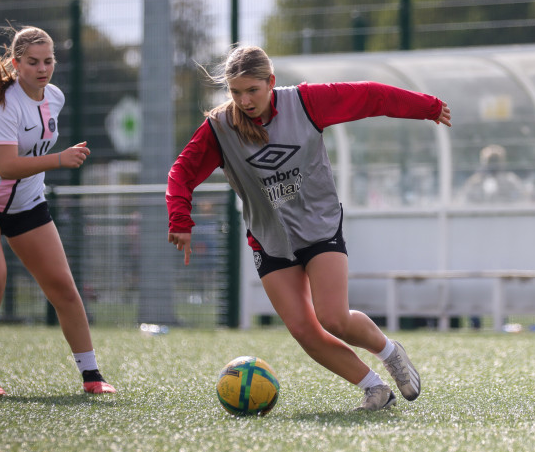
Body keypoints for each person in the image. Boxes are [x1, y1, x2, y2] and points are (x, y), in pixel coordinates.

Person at [166, 46, 452, 411]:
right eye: (236, 92)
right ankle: (375, 389)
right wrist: (181, 219)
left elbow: (369, 96)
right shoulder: (219, 128)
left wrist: (426, 107)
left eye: (252, 90)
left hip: (319, 225)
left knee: (333, 317)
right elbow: (181, 173)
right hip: (269, 239)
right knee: (304, 330)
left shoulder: (306, 102)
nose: (244, 100)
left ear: (270, 82)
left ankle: (391, 353)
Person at [0, 25, 115, 396]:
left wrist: (55, 159)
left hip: (26, 204)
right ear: (16, 63)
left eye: (48, 61)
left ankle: (92, 376)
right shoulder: (1, 103)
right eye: (33, 62)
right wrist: (60, 159)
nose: (42, 69)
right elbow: (6, 166)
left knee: (64, 288)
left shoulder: (54, 97)